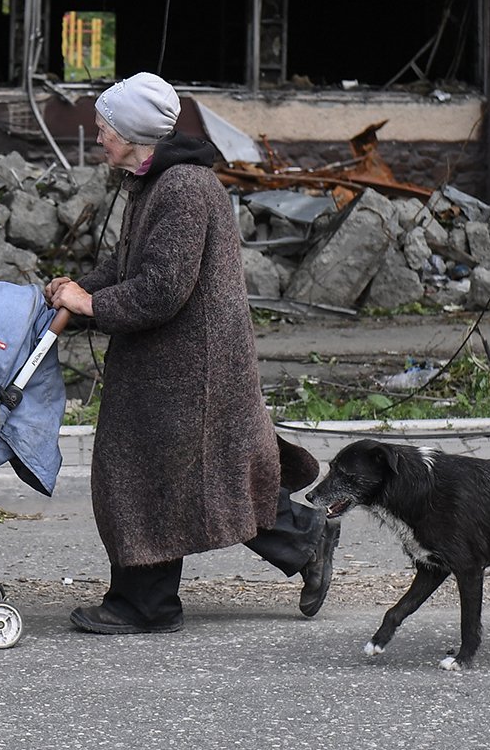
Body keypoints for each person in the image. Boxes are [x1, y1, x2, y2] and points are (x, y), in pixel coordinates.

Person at [45, 71, 338, 634]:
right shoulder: (152, 181)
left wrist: (92, 305)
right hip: (170, 363)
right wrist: (76, 292)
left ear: (134, 133)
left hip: (189, 367)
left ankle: (146, 605)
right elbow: (127, 269)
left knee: (158, 475)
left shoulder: (181, 188)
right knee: (200, 475)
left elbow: (161, 288)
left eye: (105, 127)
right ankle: (306, 538)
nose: (98, 135)